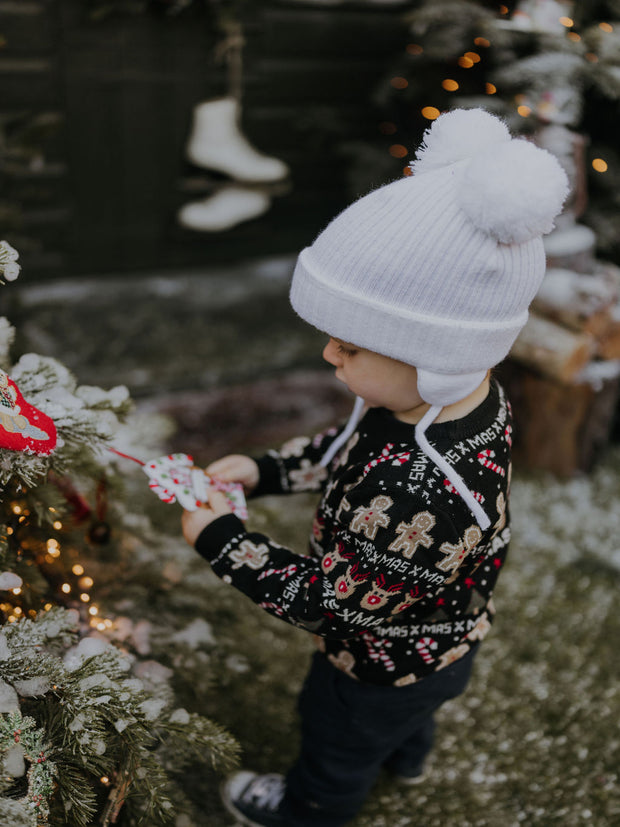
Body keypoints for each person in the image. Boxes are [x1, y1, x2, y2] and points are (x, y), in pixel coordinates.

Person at [181, 108, 568, 827]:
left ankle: (310, 807)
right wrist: (264, 471)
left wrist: (222, 538)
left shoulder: (420, 491)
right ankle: (408, 752)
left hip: (378, 665)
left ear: (435, 354)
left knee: (336, 738)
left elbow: (327, 603)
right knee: (411, 713)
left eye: (352, 345)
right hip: (443, 636)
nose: (330, 355)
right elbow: (340, 444)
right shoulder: (450, 402)